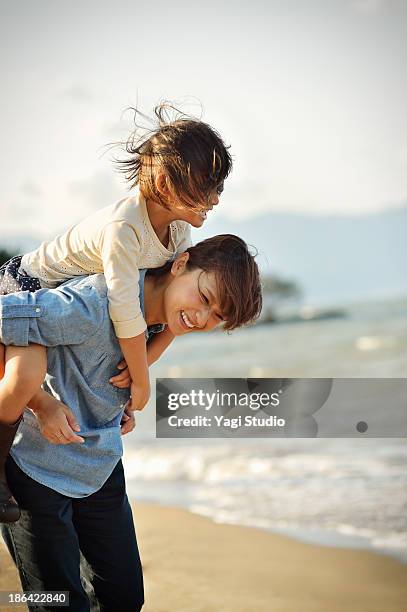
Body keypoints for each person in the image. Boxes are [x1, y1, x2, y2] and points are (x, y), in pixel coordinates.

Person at [0, 235, 262, 611]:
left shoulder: (160, 320)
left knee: (124, 598)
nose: (201, 318)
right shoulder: (92, 304)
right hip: (34, 471)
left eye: (217, 316)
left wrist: (115, 401)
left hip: (100, 466)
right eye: (204, 298)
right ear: (179, 264)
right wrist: (41, 403)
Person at [0, 103, 232, 518]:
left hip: (70, 298)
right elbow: (126, 312)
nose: (216, 199)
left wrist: (139, 373)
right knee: (25, 376)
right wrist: (141, 383)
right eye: (207, 187)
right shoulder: (123, 227)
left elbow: (156, 320)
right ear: (164, 182)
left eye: (219, 187)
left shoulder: (176, 229)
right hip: (27, 286)